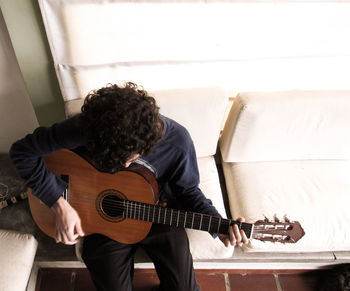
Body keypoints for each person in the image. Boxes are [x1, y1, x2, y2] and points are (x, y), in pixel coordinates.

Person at [10, 82, 248, 291]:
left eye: (129, 160)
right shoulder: (89, 127)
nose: (122, 166)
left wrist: (218, 224)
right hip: (98, 221)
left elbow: (188, 191)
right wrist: (58, 203)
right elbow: (22, 152)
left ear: (147, 145)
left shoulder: (177, 142)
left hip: (158, 214)